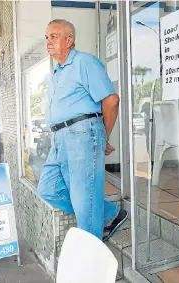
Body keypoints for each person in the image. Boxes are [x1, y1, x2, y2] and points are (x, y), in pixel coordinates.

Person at [37, 19, 128, 241]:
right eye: (47, 37)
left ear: (69, 41)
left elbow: (111, 100)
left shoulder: (84, 62)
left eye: (54, 37)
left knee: (84, 203)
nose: (48, 42)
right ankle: (110, 213)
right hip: (60, 138)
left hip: (81, 134)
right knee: (48, 189)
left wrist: (102, 136)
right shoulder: (57, 72)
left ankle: (91, 264)